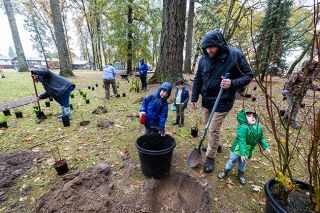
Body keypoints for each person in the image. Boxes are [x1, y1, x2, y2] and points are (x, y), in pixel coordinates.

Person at [191, 29, 253, 173]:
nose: (208, 50)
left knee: (212, 129)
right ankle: (216, 145)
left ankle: (210, 157)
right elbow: (198, 79)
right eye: (206, 47)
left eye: (211, 47)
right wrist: (194, 97)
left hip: (223, 100)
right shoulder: (203, 59)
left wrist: (232, 83)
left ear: (219, 44)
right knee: (208, 125)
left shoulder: (235, 55)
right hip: (207, 100)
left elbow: (248, 75)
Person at [217, 110, 270, 185]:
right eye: (249, 116)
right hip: (237, 149)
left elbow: (261, 138)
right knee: (232, 161)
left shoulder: (259, 128)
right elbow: (242, 140)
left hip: (248, 150)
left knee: (243, 163)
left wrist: (266, 147)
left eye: (253, 116)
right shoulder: (243, 128)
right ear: (244, 119)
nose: (252, 117)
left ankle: (240, 174)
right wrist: (242, 153)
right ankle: (225, 171)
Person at [282, 60, 318, 129]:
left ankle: (285, 118)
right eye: (312, 65)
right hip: (292, 93)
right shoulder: (297, 73)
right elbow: (289, 83)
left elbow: (310, 85)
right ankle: (291, 123)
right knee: (295, 108)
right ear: (306, 65)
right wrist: (285, 90)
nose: (313, 67)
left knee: (291, 107)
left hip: (301, 94)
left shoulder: (310, 76)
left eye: (314, 65)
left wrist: (317, 88)